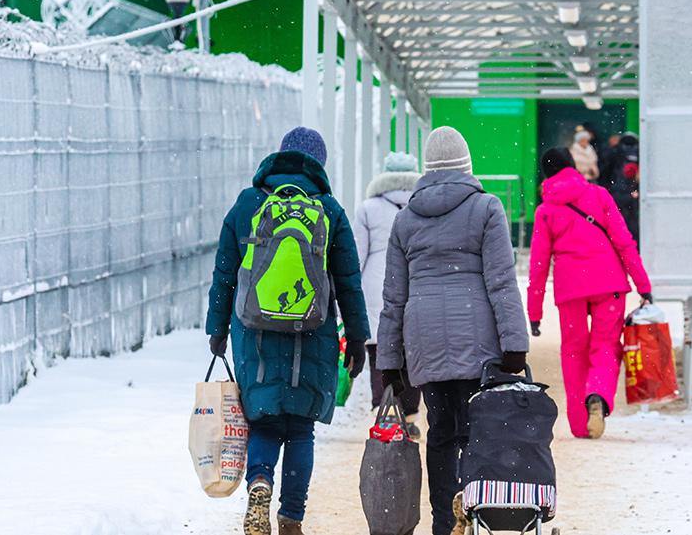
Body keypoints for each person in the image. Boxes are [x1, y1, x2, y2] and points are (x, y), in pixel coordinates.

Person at [206, 127, 370, 535]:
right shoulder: (328, 210)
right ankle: (291, 517)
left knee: (263, 419)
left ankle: (259, 480)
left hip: (254, 332)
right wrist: (358, 335)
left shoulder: (248, 204)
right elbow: (348, 280)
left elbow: (225, 274)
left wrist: (217, 329)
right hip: (312, 334)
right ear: (319, 164)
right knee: (300, 429)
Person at [377, 126, 530, 535]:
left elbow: (394, 296)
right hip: (477, 336)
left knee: (440, 431)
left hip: (424, 337)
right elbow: (501, 281)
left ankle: (444, 520)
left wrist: (389, 360)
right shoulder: (486, 208)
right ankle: (473, 506)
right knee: (477, 430)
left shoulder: (405, 219)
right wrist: (515, 345)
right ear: (466, 164)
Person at [527, 147, 652, 440]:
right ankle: (597, 394)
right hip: (608, 283)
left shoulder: (546, 211)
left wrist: (534, 312)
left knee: (573, 352)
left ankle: (580, 424)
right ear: (573, 166)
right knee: (606, 346)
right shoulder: (599, 196)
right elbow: (624, 243)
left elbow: (538, 265)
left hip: (571, 288)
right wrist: (643, 285)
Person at [352, 151, 423, 432]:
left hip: (376, 287)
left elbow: (357, 255)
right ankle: (409, 416)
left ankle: (385, 410)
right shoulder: (422, 205)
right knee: (412, 353)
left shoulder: (368, 208)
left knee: (381, 353)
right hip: (413, 282)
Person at [605, 132, 641, 243]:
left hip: (618, 192)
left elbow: (607, 170)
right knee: (633, 223)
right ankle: (633, 246)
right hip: (632, 192)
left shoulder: (616, 151)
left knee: (619, 223)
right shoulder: (639, 151)